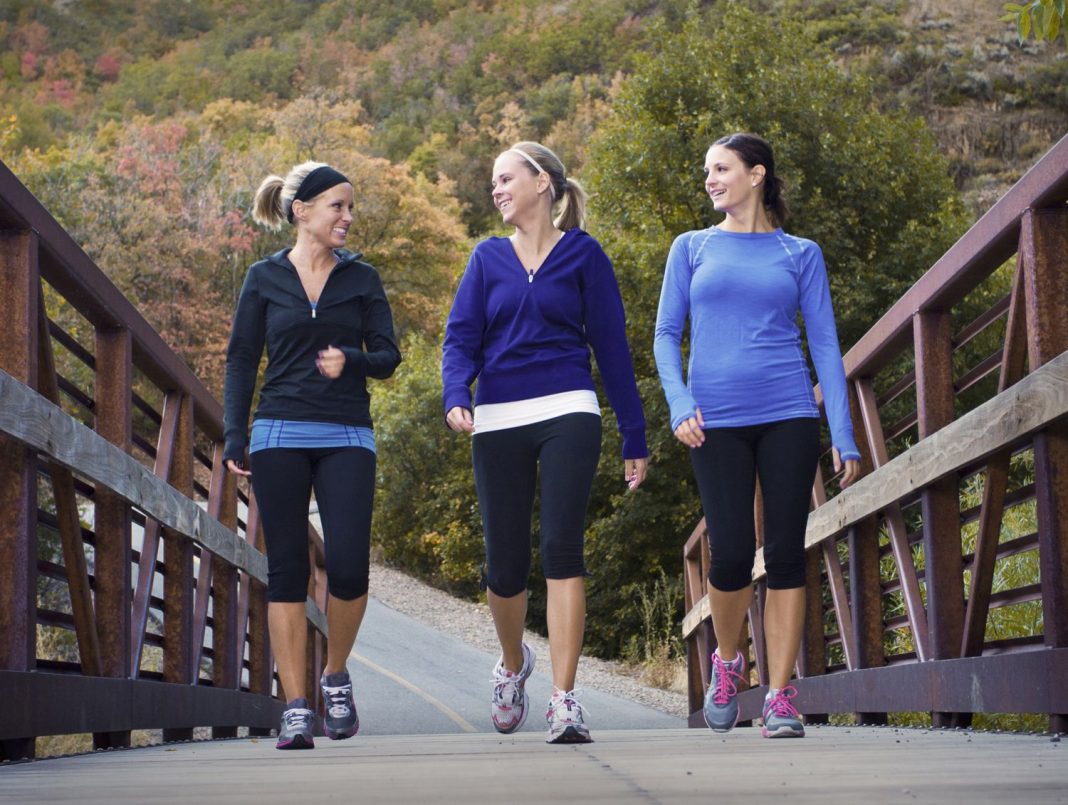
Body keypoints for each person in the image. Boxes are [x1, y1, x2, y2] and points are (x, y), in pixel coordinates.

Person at [653, 133, 861, 739]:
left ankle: (779, 696)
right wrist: (679, 403)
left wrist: (843, 435)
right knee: (733, 552)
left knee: (789, 551)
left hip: (788, 411)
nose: (710, 179)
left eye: (721, 168)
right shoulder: (690, 248)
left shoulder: (801, 254)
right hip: (713, 419)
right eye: (707, 171)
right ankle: (727, 662)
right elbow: (667, 335)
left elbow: (824, 345)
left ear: (757, 174)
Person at [441, 141, 648, 744]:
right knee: (504, 564)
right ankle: (512, 664)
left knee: (562, 548)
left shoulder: (584, 255)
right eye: (494, 182)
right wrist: (457, 394)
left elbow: (611, 348)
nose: (497, 189)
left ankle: (565, 699)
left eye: (506, 178)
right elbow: (460, 339)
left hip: (568, 408)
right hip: (499, 415)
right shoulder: (485, 260)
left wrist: (633, 432)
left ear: (542, 183)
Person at [223, 161, 401, 750]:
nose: (347, 218)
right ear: (301, 211)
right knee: (287, 572)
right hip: (277, 432)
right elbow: (243, 358)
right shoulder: (263, 277)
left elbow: (389, 355)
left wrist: (351, 357)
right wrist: (233, 435)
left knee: (349, 566)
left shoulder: (362, 279)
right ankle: (296, 705)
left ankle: (336, 675)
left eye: (351, 208)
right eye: (337, 207)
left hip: (347, 431)